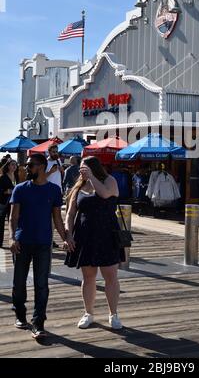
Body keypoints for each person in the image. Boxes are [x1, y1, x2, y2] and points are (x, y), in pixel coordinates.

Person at [9, 153, 74, 339]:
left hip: (44, 244)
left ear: (42, 167)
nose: (27, 168)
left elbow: (57, 218)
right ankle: (20, 315)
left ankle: (38, 323)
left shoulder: (54, 190)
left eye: (31, 165)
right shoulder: (20, 189)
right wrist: (12, 238)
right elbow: (13, 218)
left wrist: (66, 237)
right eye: (27, 165)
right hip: (22, 243)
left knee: (41, 285)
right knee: (19, 283)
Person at [64, 156, 124, 330]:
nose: (81, 171)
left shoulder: (109, 181)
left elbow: (105, 194)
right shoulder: (78, 187)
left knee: (110, 277)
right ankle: (88, 313)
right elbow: (70, 213)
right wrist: (68, 235)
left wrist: (91, 177)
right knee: (88, 277)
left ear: (93, 168)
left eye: (84, 168)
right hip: (85, 236)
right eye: (81, 169)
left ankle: (113, 314)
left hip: (107, 234)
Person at [46, 144, 64, 248]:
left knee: (55, 218)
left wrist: (62, 170)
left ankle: (51, 240)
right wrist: (51, 171)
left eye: (56, 151)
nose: (56, 153)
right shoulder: (45, 162)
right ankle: (48, 239)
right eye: (53, 152)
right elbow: (42, 177)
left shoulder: (58, 161)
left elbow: (60, 175)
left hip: (58, 192)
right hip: (48, 192)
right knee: (48, 217)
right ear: (49, 152)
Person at [0, 160, 18, 248]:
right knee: (1, 223)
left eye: (16, 165)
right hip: (3, 202)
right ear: (8, 166)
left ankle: (14, 240)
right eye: (12, 165)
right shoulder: (2, 177)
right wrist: (6, 191)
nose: (15, 166)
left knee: (13, 221)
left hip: (12, 203)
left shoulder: (16, 176)